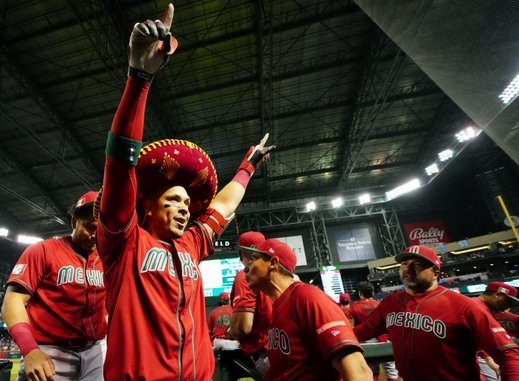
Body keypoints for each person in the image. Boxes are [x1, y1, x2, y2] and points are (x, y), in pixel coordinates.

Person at [95, 4, 275, 380]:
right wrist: (140, 78)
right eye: (172, 200)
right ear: (146, 206)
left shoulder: (192, 244)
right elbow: (119, 163)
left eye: (186, 203)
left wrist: (247, 167)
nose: (183, 209)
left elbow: (224, 203)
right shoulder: (123, 242)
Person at [354, 245, 519, 381]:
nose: (408, 268)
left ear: (436, 272)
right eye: (404, 263)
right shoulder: (391, 303)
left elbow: (507, 353)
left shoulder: (465, 305)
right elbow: (362, 331)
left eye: (418, 264)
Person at [2, 191, 107, 381]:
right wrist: (30, 350)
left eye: (101, 230)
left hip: (95, 350)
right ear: (75, 222)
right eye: (90, 227)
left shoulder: (108, 260)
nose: (95, 235)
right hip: (50, 350)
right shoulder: (42, 250)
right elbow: (13, 301)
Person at [244, 238, 373, 381]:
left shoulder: (307, 296)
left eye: (253, 259)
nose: (245, 268)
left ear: (273, 264)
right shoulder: (279, 305)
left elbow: (359, 371)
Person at [230, 231, 272, 375]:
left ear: (241, 252)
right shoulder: (276, 271)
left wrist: (232, 332)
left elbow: (243, 327)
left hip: (265, 354)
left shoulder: (245, 275)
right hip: (283, 347)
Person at [350, 281, 398, 381]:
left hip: (365, 341)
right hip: (383, 339)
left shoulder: (354, 306)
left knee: (370, 371)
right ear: (372, 292)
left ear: (360, 293)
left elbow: (352, 328)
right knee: (391, 371)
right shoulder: (381, 303)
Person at [475, 282, 519, 381]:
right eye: (508, 301)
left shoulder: (483, 308)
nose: (509, 305)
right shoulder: (477, 307)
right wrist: (486, 357)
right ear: (498, 294)